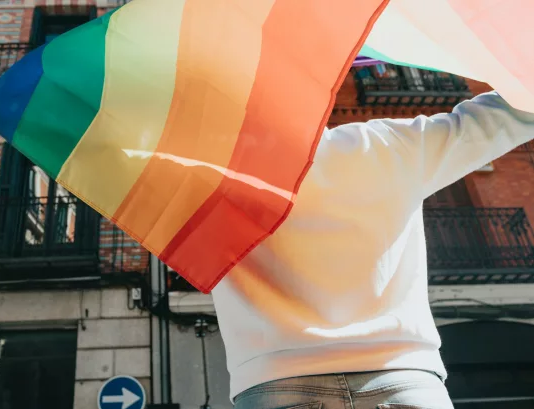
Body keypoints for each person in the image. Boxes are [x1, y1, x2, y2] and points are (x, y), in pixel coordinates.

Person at [211, 91, 534, 409]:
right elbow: (509, 113)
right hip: (403, 375)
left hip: (275, 383)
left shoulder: (207, 175)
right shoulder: (385, 143)